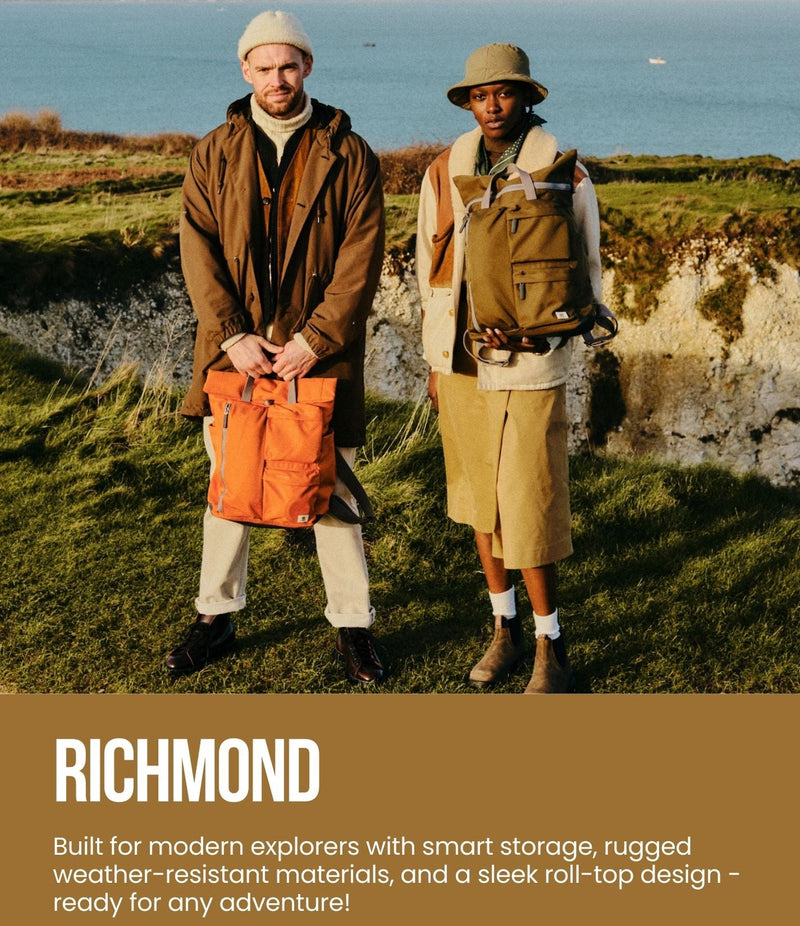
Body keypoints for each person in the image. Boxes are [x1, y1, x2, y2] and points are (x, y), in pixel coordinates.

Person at [166, 10, 386, 685]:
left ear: (308, 67)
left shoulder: (350, 153)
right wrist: (232, 333)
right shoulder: (212, 152)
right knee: (228, 489)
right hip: (233, 355)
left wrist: (314, 339)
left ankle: (353, 627)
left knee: (330, 493)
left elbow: (361, 256)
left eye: (288, 66)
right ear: (245, 71)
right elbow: (195, 247)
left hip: (318, 360)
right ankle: (216, 617)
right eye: (263, 68)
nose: (277, 79)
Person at [416, 44, 603, 693]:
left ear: (526, 98)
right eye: (478, 95)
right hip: (463, 365)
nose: (490, 105)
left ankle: (553, 645)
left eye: (502, 93)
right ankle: (505, 629)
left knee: (530, 502)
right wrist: (437, 365)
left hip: (530, 370)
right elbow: (429, 272)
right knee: (479, 506)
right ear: (468, 102)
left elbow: (587, 274)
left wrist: (544, 338)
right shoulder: (443, 171)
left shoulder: (561, 171)